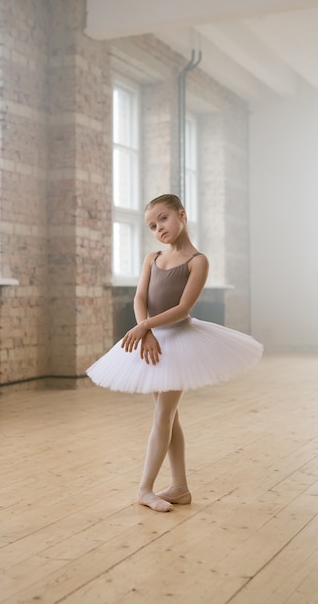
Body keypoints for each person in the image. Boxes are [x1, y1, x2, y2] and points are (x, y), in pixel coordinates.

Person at [86, 194, 263, 512]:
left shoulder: (198, 261)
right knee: (170, 417)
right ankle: (179, 487)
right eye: (152, 225)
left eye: (163, 219)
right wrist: (147, 331)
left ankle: (144, 489)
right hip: (152, 342)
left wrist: (146, 328)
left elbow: (183, 308)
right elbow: (139, 298)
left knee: (163, 416)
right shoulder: (152, 258)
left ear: (181, 214)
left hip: (179, 340)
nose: (158, 228)